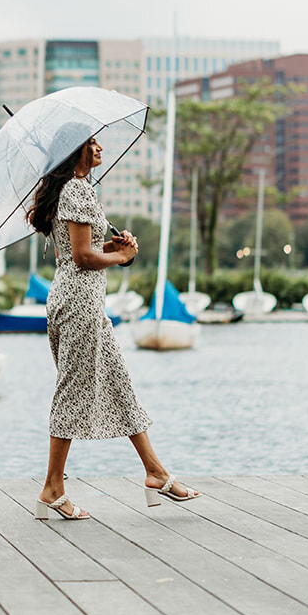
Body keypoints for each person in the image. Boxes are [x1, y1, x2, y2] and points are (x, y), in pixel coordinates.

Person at [27, 134, 201, 520]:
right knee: (72, 390)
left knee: (119, 386)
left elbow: (75, 253)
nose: (100, 148)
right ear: (75, 151)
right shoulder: (77, 190)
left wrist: (118, 251)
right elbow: (83, 257)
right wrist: (120, 256)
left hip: (73, 299)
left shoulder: (74, 190)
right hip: (80, 304)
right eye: (91, 142)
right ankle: (52, 488)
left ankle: (156, 473)